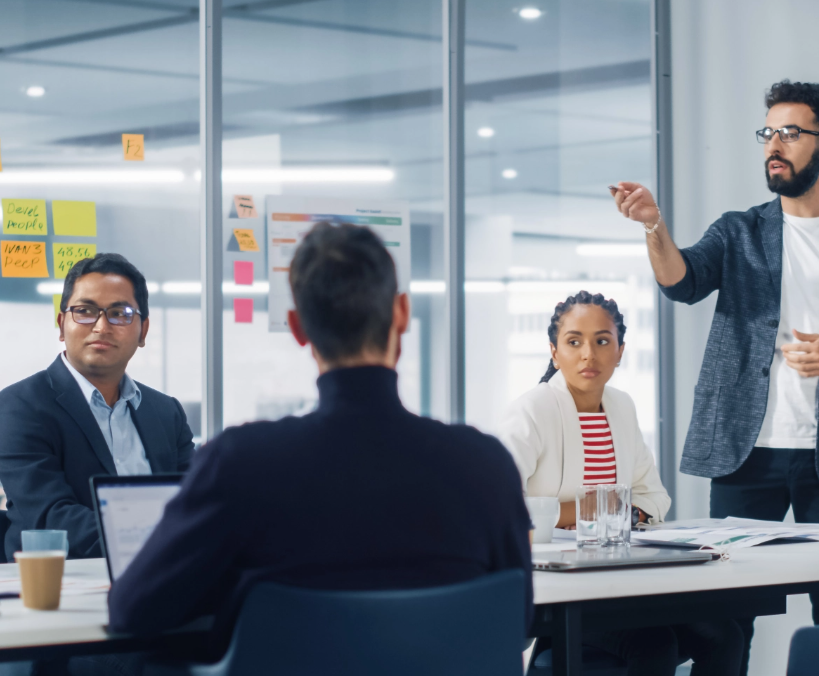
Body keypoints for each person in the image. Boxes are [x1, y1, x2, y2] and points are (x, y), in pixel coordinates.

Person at [107, 222, 533, 657]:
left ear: (297, 327)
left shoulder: (241, 463)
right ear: (401, 312)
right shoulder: (486, 464)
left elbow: (133, 609)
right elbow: (515, 620)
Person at [611, 80, 819, 675]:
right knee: (723, 616)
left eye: (790, 133)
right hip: (743, 451)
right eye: (768, 132)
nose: (774, 145)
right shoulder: (739, 230)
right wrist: (654, 226)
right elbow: (683, 282)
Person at [499, 291, 742, 676]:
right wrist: (599, 512)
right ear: (554, 351)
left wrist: (611, 512)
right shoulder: (533, 409)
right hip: (562, 588)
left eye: (602, 341)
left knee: (725, 635)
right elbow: (498, 507)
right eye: (574, 341)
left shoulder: (621, 406)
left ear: (621, 350)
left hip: (624, 579)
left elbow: (655, 497)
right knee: (654, 645)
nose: (588, 355)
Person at [0, 253, 195, 561]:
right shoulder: (18, 408)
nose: (101, 326)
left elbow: (195, 501)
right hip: (63, 590)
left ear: (143, 331)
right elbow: (54, 518)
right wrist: (167, 543)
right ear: (61, 325)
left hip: (165, 581)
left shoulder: (167, 413)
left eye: (120, 313)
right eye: (84, 311)